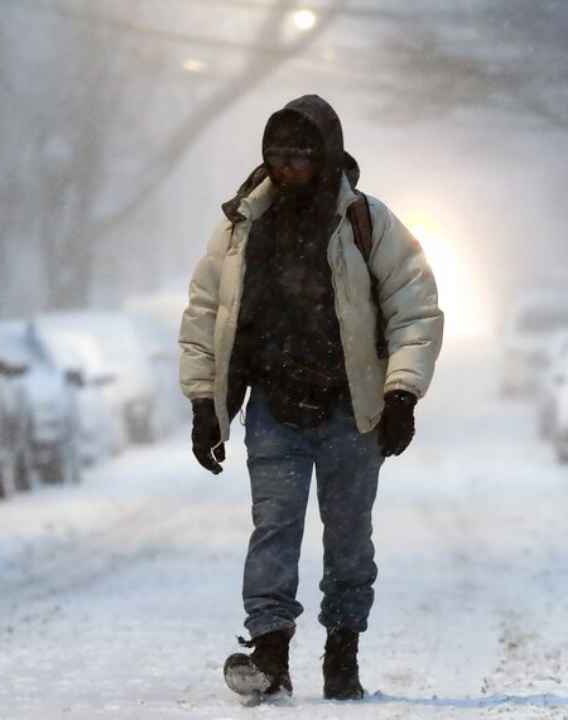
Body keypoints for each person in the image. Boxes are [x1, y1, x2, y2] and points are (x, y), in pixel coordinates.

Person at [178, 94, 443, 701]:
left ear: (327, 154)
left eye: (301, 151)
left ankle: (342, 651)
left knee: (349, 535)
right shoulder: (242, 227)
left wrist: (401, 393)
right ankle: (269, 654)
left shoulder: (365, 222)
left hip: (352, 409)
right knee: (274, 528)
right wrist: (203, 403)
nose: (287, 163)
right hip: (274, 406)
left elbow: (415, 308)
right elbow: (205, 314)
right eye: (276, 151)